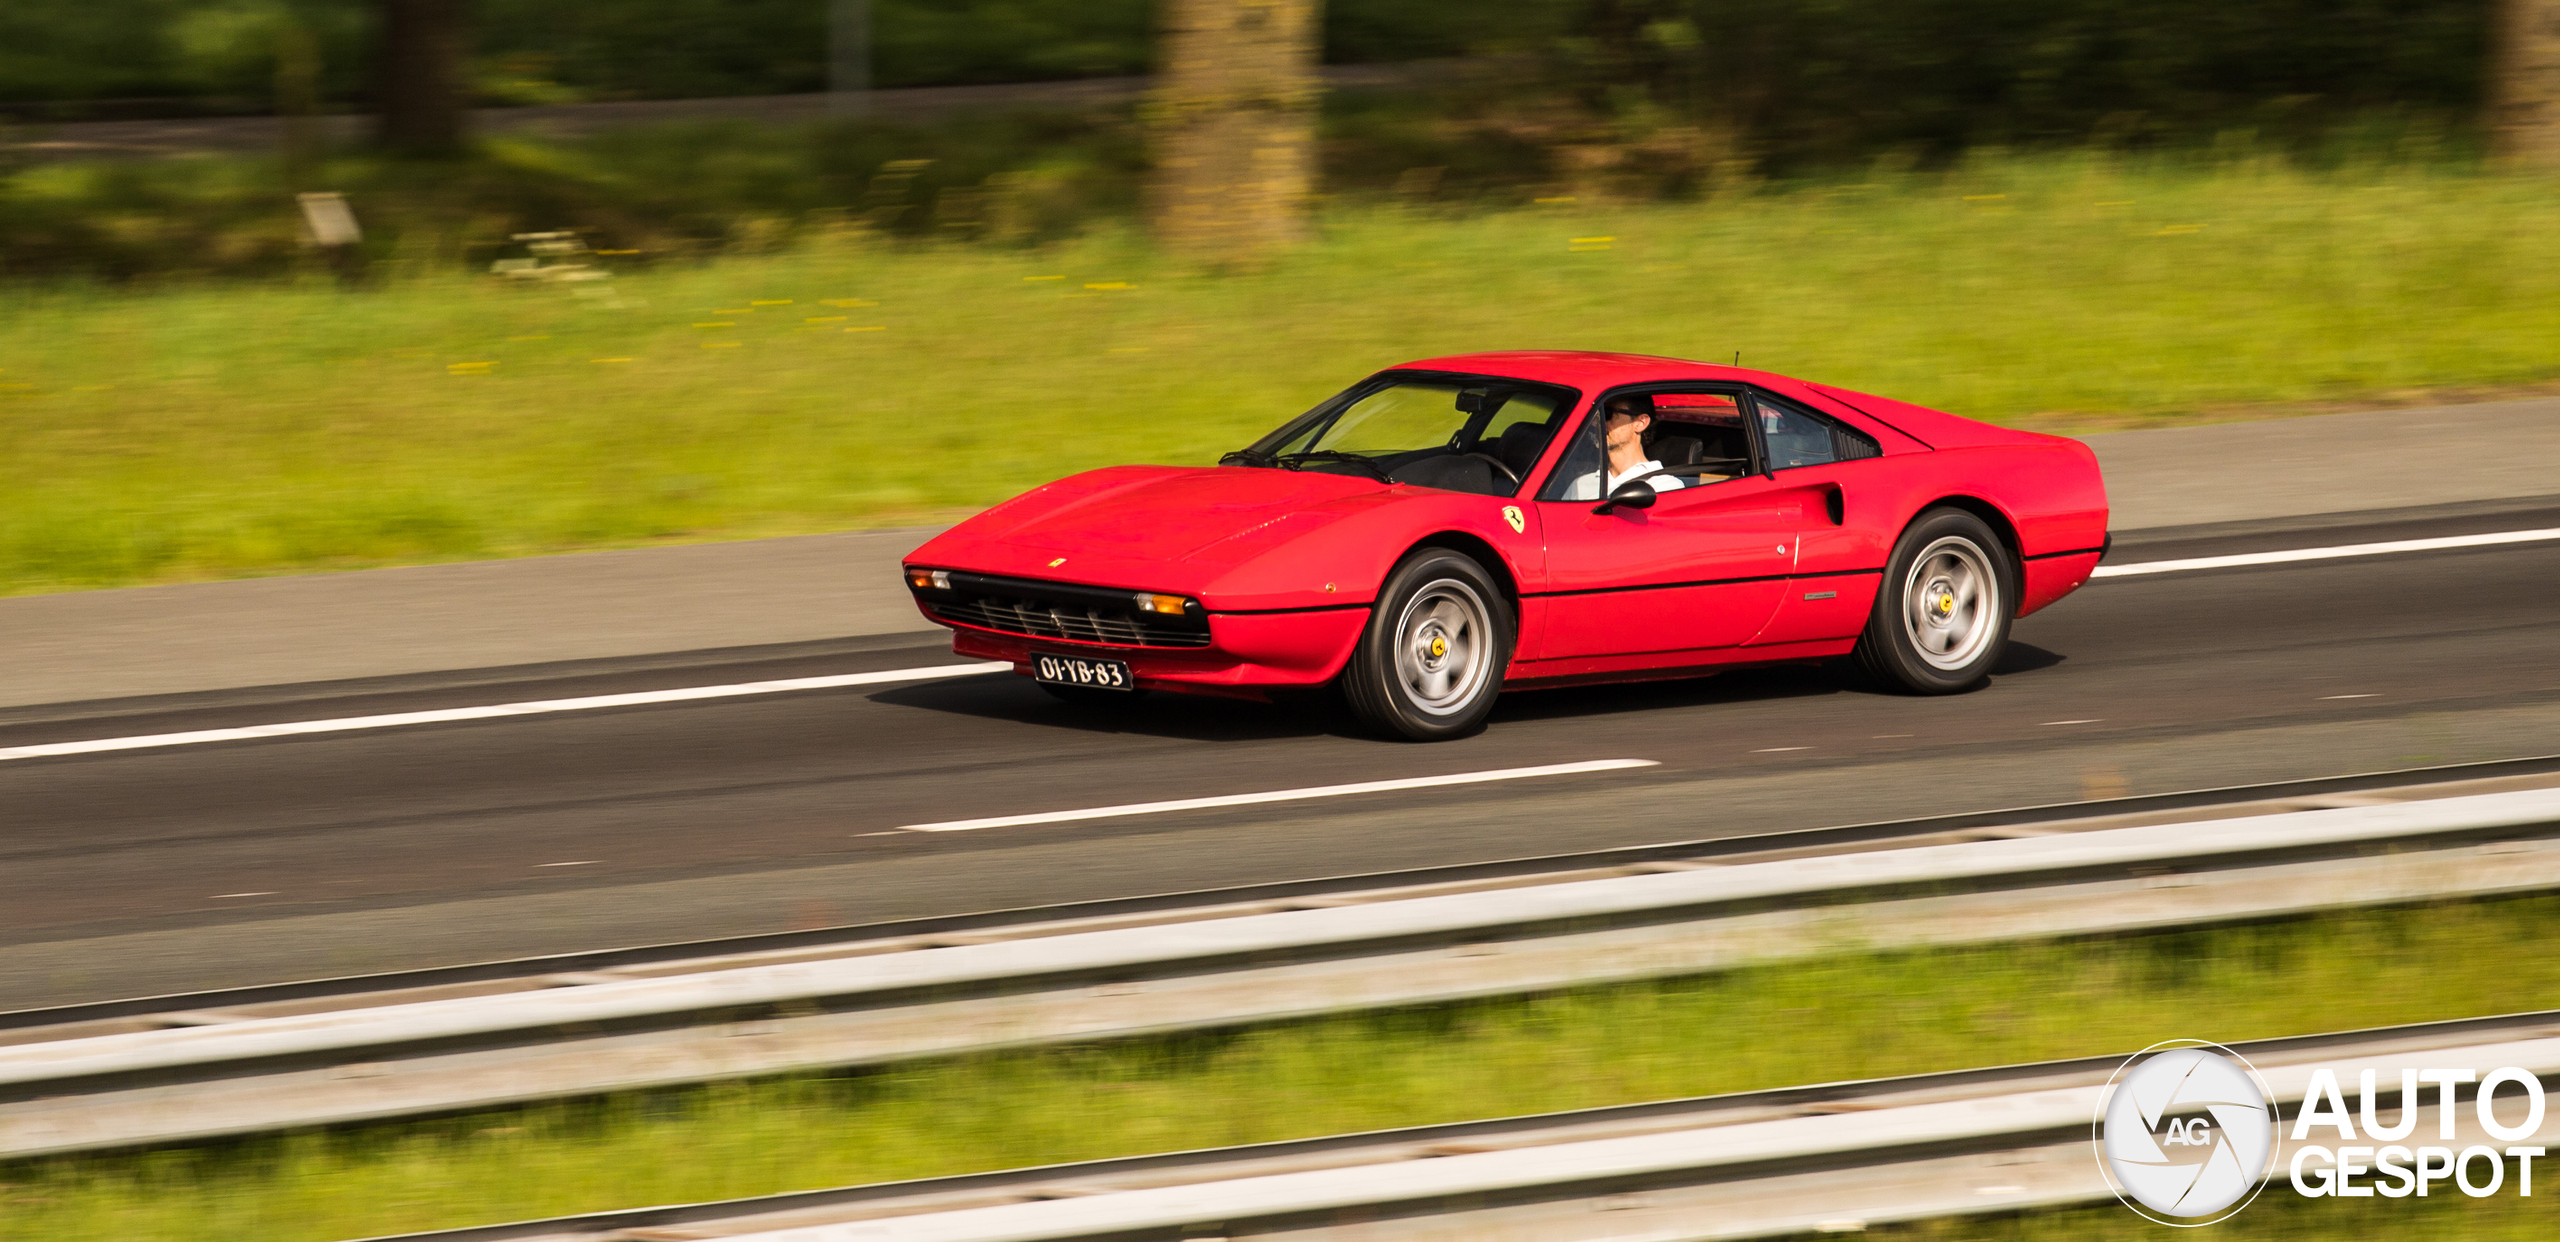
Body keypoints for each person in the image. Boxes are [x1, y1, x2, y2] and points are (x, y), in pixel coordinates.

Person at [1557, 394, 1688, 501]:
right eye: (1596, 415)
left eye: (1607, 414)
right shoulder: (1580, 484)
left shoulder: (1665, 487)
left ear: (1640, 423)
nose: (1596, 422)